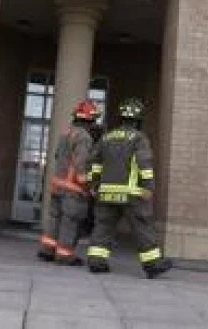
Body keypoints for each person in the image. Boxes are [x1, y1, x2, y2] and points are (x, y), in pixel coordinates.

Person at [85, 97, 172, 279]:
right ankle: (153, 264)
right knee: (142, 227)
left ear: (121, 118)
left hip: (106, 192)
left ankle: (96, 261)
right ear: (138, 120)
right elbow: (144, 163)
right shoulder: (139, 138)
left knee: (103, 226)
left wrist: (94, 184)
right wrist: (148, 186)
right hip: (130, 193)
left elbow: (94, 162)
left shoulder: (106, 137)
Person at [37, 99, 100, 265]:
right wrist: (89, 186)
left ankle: (47, 250)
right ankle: (64, 255)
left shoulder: (65, 133)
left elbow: (58, 156)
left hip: (58, 185)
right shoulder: (84, 137)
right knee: (70, 222)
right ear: (90, 120)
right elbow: (81, 163)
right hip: (73, 188)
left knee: (54, 218)